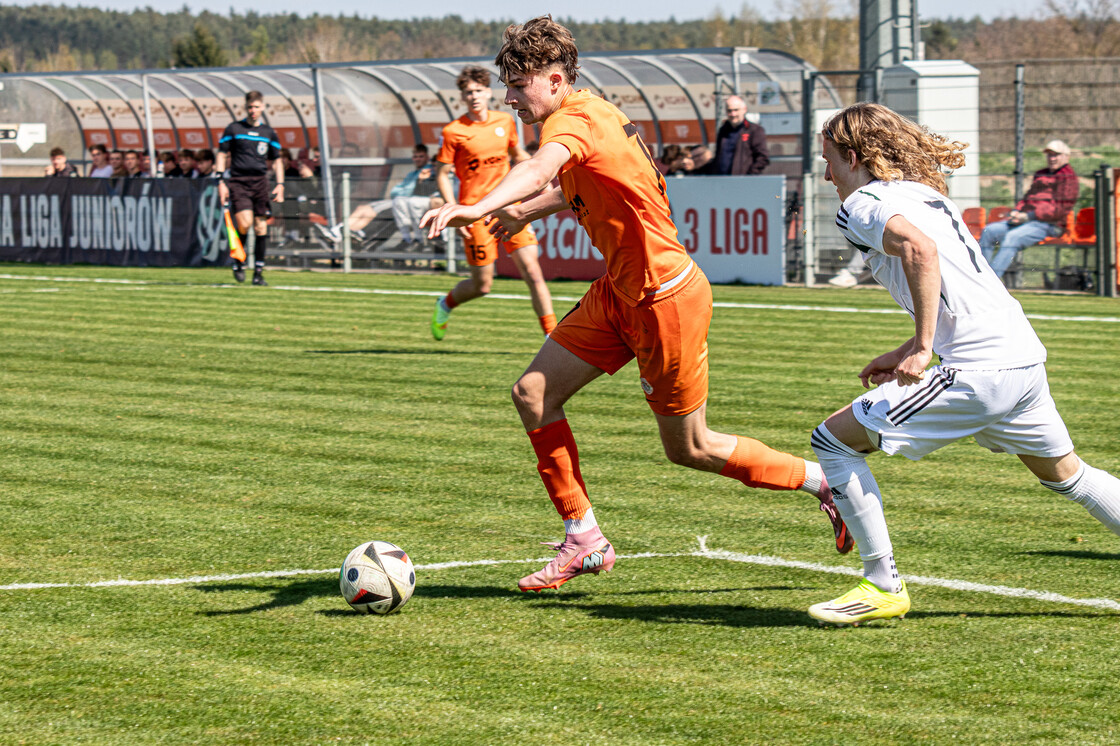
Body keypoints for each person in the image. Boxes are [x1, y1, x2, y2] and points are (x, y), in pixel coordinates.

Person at [422, 16, 851, 592]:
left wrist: (478, 208)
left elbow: (541, 166)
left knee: (690, 447)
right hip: (619, 292)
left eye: (517, 86)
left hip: (664, 299)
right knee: (532, 393)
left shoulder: (572, 119)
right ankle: (585, 541)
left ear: (552, 80)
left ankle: (823, 482)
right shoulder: (591, 110)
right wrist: (531, 210)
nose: (508, 99)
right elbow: (581, 179)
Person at [809, 103, 1120, 626]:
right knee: (1069, 475)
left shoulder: (863, 201)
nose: (825, 175)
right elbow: (948, 276)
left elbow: (920, 252)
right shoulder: (925, 194)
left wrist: (923, 347)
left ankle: (882, 585)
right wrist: (911, 342)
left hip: (980, 371)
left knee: (832, 442)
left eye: (829, 161)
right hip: (1021, 358)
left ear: (854, 156)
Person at [428, 64, 556, 341]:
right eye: (468, 92)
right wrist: (453, 211)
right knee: (482, 285)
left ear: (488, 92)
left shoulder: (505, 122)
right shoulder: (454, 131)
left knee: (533, 272)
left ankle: (552, 337)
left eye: (478, 90)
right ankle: (445, 303)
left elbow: (518, 154)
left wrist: (544, 172)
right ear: (462, 97)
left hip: (510, 208)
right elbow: (442, 174)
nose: (474, 96)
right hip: (475, 213)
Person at [979, 140, 1079, 280]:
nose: (1052, 158)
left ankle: (990, 282)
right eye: (1049, 155)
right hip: (1023, 220)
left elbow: (1060, 209)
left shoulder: (1068, 177)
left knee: (1012, 238)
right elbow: (1027, 198)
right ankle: (978, 276)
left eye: (1056, 155)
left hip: (1049, 225)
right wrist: (1017, 211)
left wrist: (1029, 216)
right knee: (989, 231)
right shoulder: (1041, 173)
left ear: (1066, 156)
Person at [216, 90, 284, 286]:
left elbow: (277, 160)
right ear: (245, 108)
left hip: (260, 182)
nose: (253, 110)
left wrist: (280, 185)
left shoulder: (268, 133)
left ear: (262, 107)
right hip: (239, 181)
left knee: (261, 227)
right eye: (250, 107)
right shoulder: (234, 129)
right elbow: (221, 155)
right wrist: (221, 181)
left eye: (256, 107)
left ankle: (259, 272)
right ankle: (239, 260)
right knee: (245, 223)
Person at [316, 144, 442, 247]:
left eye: (421, 156)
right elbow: (395, 191)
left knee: (370, 211)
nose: (418, 159)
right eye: (415, 156)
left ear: (427, 157)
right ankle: (337, 232)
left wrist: (420, 182)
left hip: (404, 204)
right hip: (399, 201)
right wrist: (404, 190)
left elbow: (415, 194)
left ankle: (342, 233)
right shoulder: (413, 173)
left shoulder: (429, 173)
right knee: (362, 209)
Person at [705, 95, 769, 175]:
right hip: (722, 180)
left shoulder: (754, 130)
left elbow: (762, 157)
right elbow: (718, 156)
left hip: (743, 182)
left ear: (744, 109)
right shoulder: (723, 130)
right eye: (729, 111)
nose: (733, 114)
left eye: (736, 110)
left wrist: (750, 175)